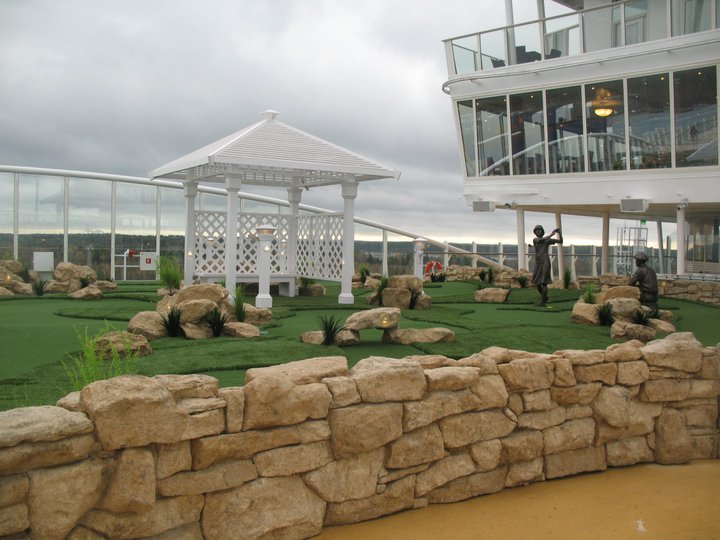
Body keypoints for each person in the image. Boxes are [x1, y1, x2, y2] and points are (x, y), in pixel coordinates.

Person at [531, 225, 563, 306]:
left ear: (542, 231)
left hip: (545, 262)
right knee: (537, 283)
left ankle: (543, 301)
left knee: (544, 282)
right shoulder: (535, 240)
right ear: (535, 232)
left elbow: (560, 241)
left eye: (540, 230)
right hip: (538, 263)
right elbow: (541, 240)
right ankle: (544, 297)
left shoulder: (547, 240)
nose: (538, 231)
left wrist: (559, 233)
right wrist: (551, 234)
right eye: (536, 230)